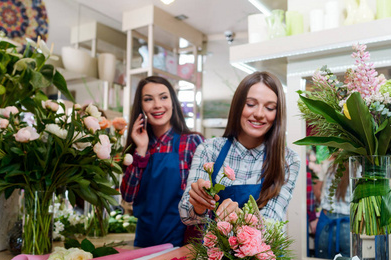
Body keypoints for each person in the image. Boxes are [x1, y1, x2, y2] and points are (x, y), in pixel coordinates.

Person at [179, 71, 301, 225]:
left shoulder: (288, 160)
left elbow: (272, 224)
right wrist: (197, 205)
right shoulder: (209, 150)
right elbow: (186, 216)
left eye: (270, 108)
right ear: (238, 106)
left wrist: (240, 219)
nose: (259, 114)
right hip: (212, 249)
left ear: (278, 114)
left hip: (261, 249)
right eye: (250, 104)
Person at [120, 76, 204, 247]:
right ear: (141, 106)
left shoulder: (191, 142)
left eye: (163, 97)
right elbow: (128, 195)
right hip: (144, 243)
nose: (157, 104)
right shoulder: (138, 147)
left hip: (182, 244)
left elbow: (203, 198)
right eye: (148, 99)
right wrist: (141, 150)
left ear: (173, 102)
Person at [314, 159, 351, 259]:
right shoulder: (358, 166)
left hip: (326, 220)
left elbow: (316, 189)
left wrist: (322, 200)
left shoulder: (327, 164)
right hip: (348, 225)